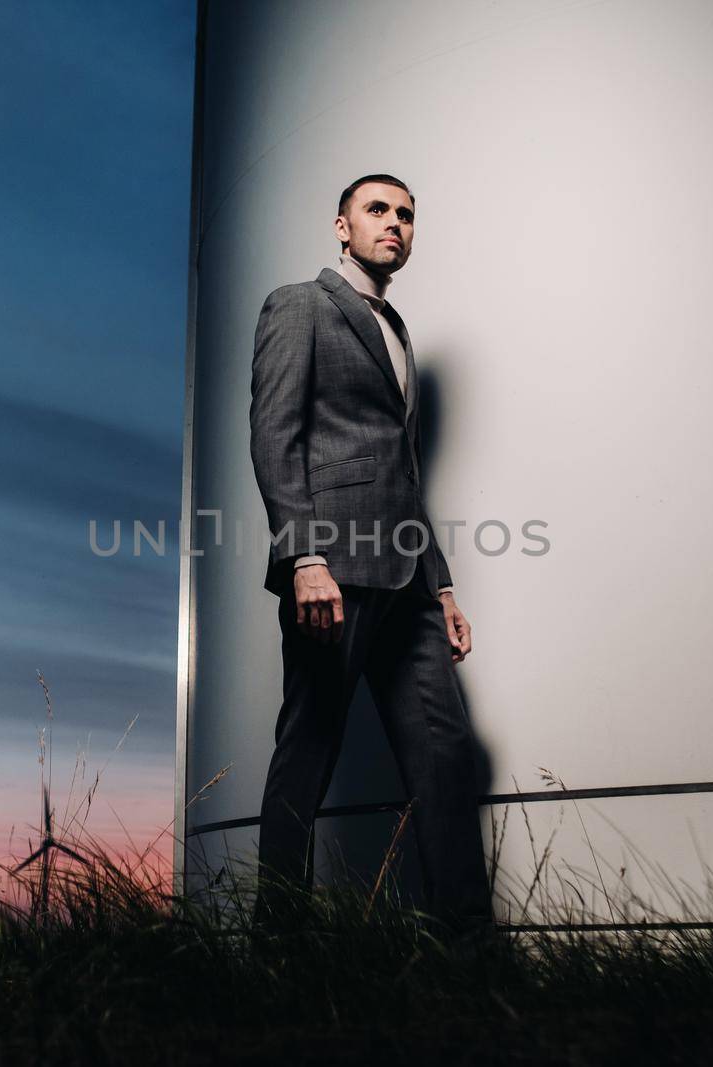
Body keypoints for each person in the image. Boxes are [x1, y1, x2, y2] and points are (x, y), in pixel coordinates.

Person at [248, 173, 492, 935]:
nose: (395, 224)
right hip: (333, 573)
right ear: (341, 227)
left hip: (408, 581)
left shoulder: (398, 330)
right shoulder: (301, 304)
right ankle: (278, 943)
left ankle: (465, 951)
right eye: (378, 210)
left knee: (446, 756)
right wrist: (304, 558)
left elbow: (405, 472)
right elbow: (274, 433)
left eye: (408, 215)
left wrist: (442, 586)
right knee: (307, 755)